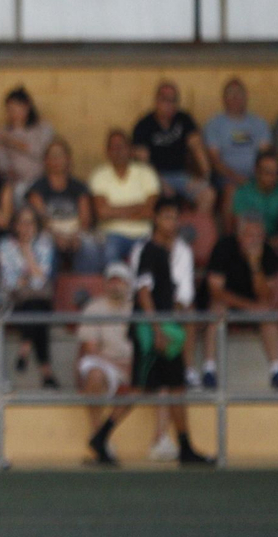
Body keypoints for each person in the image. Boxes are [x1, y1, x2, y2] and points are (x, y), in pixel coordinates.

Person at [92, 198, 214, 467]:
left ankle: (184, 446)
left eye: (175, 217)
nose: (172, 222)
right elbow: (144, 291)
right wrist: (157, 327)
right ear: (156, 219)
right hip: (152, 331)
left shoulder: (163, 251)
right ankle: (101, 437)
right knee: (139, 387)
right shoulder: (151, 251)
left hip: (162, 328)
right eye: (167, 216)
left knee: (176, 386)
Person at [202, 214, 278, 392]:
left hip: (254, 305)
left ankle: (276, 370)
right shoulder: (223, 247)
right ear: (240, 235)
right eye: (250, 235)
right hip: (226, 303)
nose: (255, 240)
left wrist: (255, 266)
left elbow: (266, 295)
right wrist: (250, 307)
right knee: (217, 310)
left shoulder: (267, 252)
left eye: (259, 236)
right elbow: (216, 291)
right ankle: (209, 370)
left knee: (268, 314)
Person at [76, 263, 136, 463]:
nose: (116, 285)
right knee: (94, 373)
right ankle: (98, 436)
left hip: (134, 364)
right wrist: (121, 366)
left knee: (151, 378)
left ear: (128, 284)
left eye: (120, 281)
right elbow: (91, 349)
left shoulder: (138, 309)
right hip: (107, 363)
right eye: (112, 281)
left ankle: (160, 440)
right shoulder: (94, 307)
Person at [0, 206, 58, 388]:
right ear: (14, 225)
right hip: (12, 300)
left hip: (35, 299)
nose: (26, 227)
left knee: (37, 304)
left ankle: (25, 348)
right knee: (39, 308)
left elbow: (40, 279)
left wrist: (27, 251)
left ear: (36, 225)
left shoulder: (44, 243)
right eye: (21, 222)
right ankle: (46, 371)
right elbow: (10, 282)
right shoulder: (4, 245)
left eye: (30, 222)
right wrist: (29, 272)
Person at [132, 82, 214, 214]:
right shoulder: (144, 125)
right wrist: (160, 183)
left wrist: (206, 177)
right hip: (156, 176)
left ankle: (192, 232)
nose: (169, 104)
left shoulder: (184, 119)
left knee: (208, 194)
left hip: (181, 175)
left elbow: (197, 148)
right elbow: (143, 164)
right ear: (157, 101)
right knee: (164, 197)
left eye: (173, 100)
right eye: (165, 100)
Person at [27, 138, 103, 273]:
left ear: (68, 159)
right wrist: (56, 237)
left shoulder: (79, 187)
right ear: (45, 161)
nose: (56, 160)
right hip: (49, 234)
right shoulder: (37, 188)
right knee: (44, 244)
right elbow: (40, 221)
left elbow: (85, 220)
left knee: (89, 244)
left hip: (76, 234)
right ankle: (46, 289)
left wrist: (75, 236)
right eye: (52, 156)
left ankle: (85, 288)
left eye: (60, 155)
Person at [90, 129, 162, 265]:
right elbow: (102, 213)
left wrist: (114, 212)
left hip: (143, 234)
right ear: (107, 151)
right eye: (113, 147)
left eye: (122, 146)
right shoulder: (99, 175)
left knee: (149, 259)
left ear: (130, 149)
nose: (118, 150)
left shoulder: (146, 172)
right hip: (110, 235)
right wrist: (138, 206)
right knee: (109, 252)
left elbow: (150, 211)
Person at [204, 77, 272, 197]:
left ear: (246, 97)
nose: (235, 98)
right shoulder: (214, 125)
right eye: (230, 94)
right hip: (227, 177)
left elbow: (265, 155)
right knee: (232, 191)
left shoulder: (259, 123)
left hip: (257, 176)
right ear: (223, 98)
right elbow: (215, 161)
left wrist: (258, 179)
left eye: (239, 94)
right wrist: (238, 179)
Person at [229, 151, 278, 265]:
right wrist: (264, 243)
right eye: (268, 172)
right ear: (256, 172)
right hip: (251, 239)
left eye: (276, 173)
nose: (273, 177)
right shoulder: (243, 192)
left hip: (277, 240)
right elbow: (240, 230)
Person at [0, 86, 54, 195]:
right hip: (16, 183)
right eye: (10, 110)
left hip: (42, 180)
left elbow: (42, 152)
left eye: (17, 108)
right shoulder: (2, 133)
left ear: (27, 107)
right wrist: (8, 171)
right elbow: (1, 161)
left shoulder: (44, 128)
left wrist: (13, 142)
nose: (14, 113)